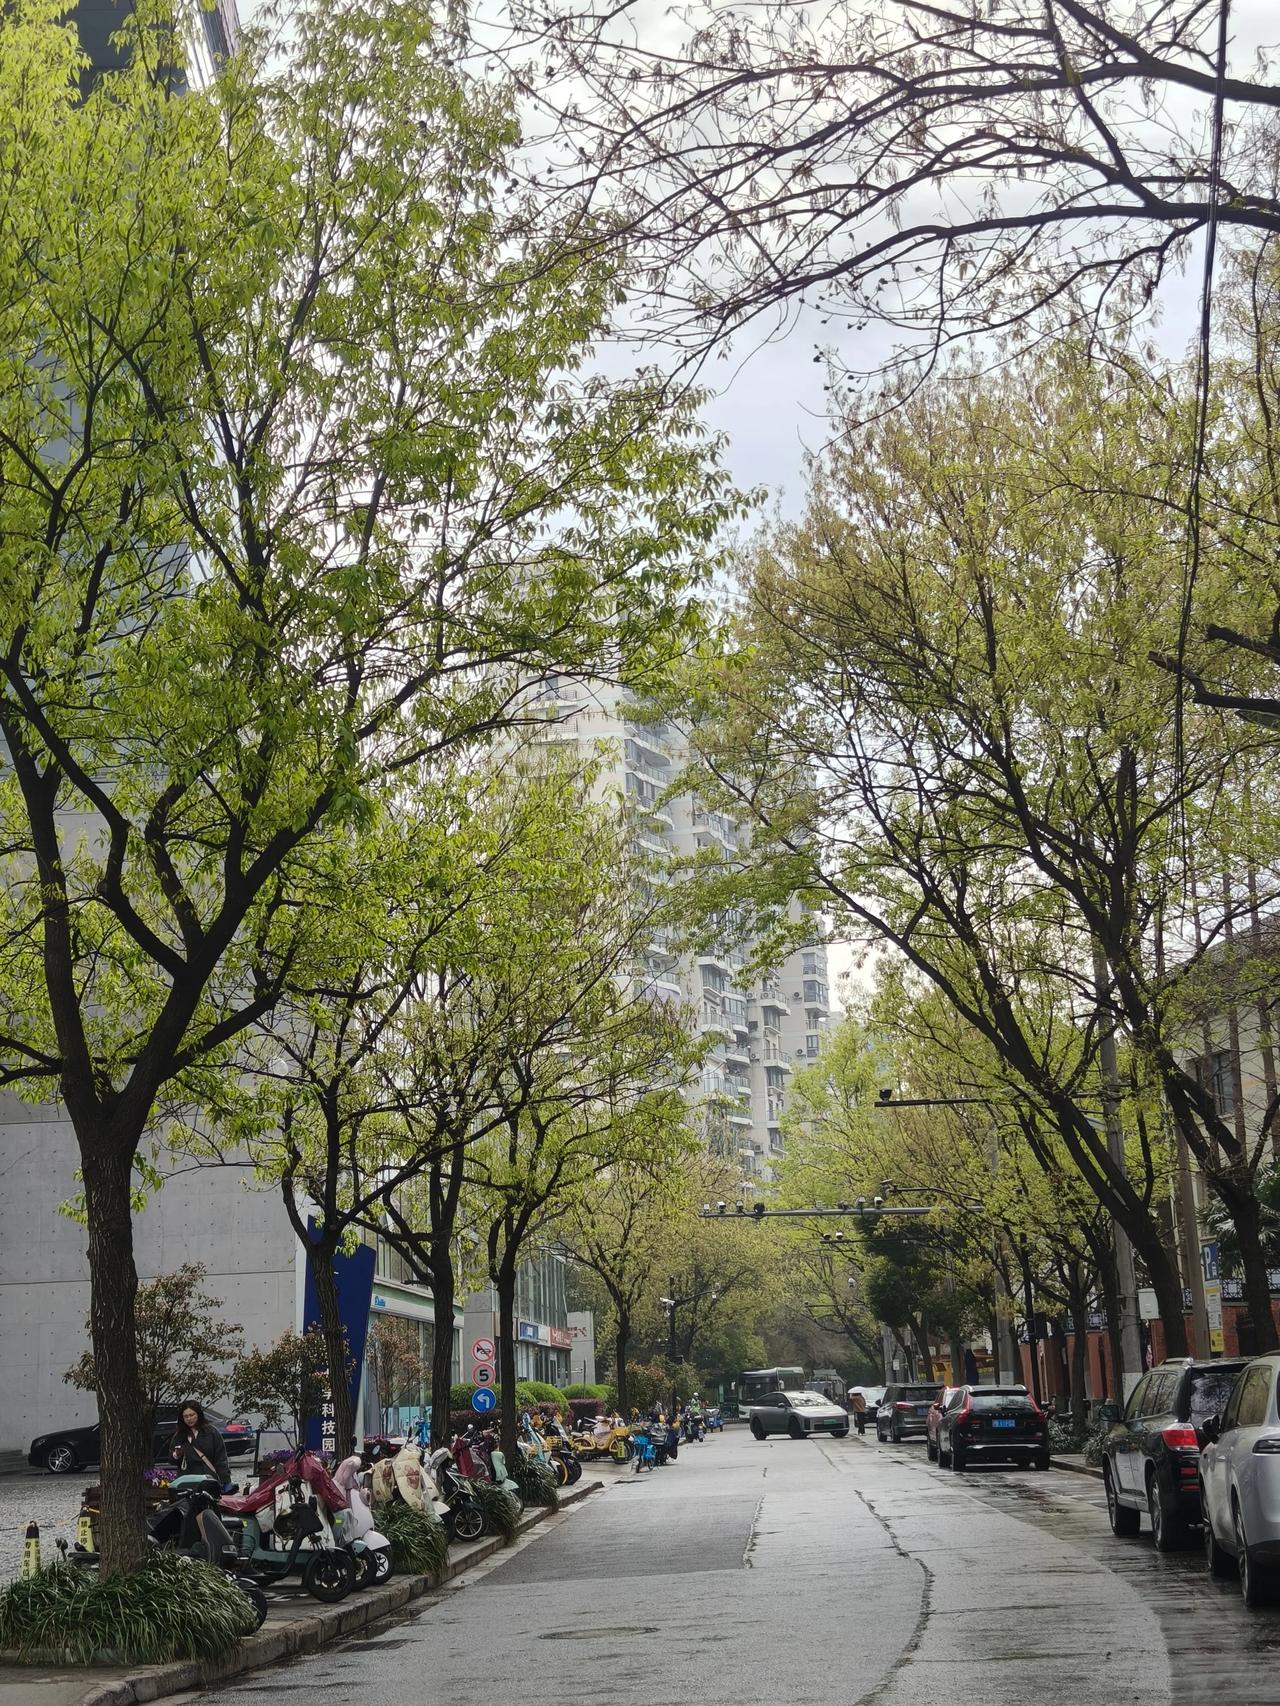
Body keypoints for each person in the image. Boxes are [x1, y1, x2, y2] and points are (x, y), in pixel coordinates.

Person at [169, 1400, 230, 1487]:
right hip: (187, 1480)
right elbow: (171, 1459)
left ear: (198, 1414)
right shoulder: (179, 1435)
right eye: (186, 1416)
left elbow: (221, 1459)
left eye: (192, 1415)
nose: (189, 1419)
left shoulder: (211, 1432)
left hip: (208, 1479)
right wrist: (176, 1455)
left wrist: (225, 1481)